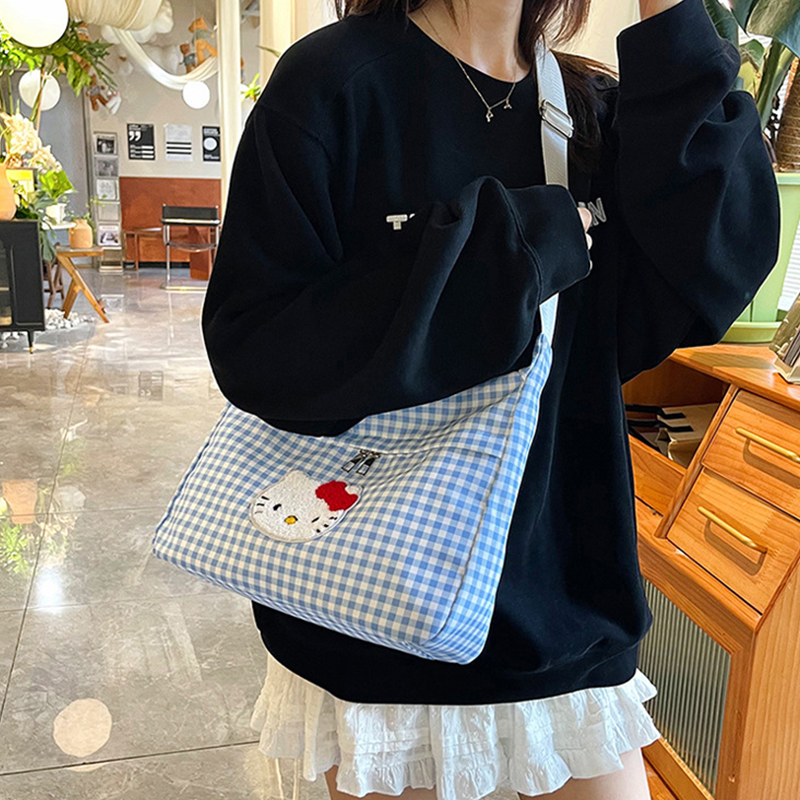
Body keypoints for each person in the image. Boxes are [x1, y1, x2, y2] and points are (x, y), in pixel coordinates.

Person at [201, 0, 780, 796]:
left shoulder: (594, 108)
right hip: (381, 630)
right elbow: (260, 350)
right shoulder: (333, 83)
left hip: (567, 603)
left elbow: (714, 269)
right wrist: (513, 252)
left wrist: (672, 22)